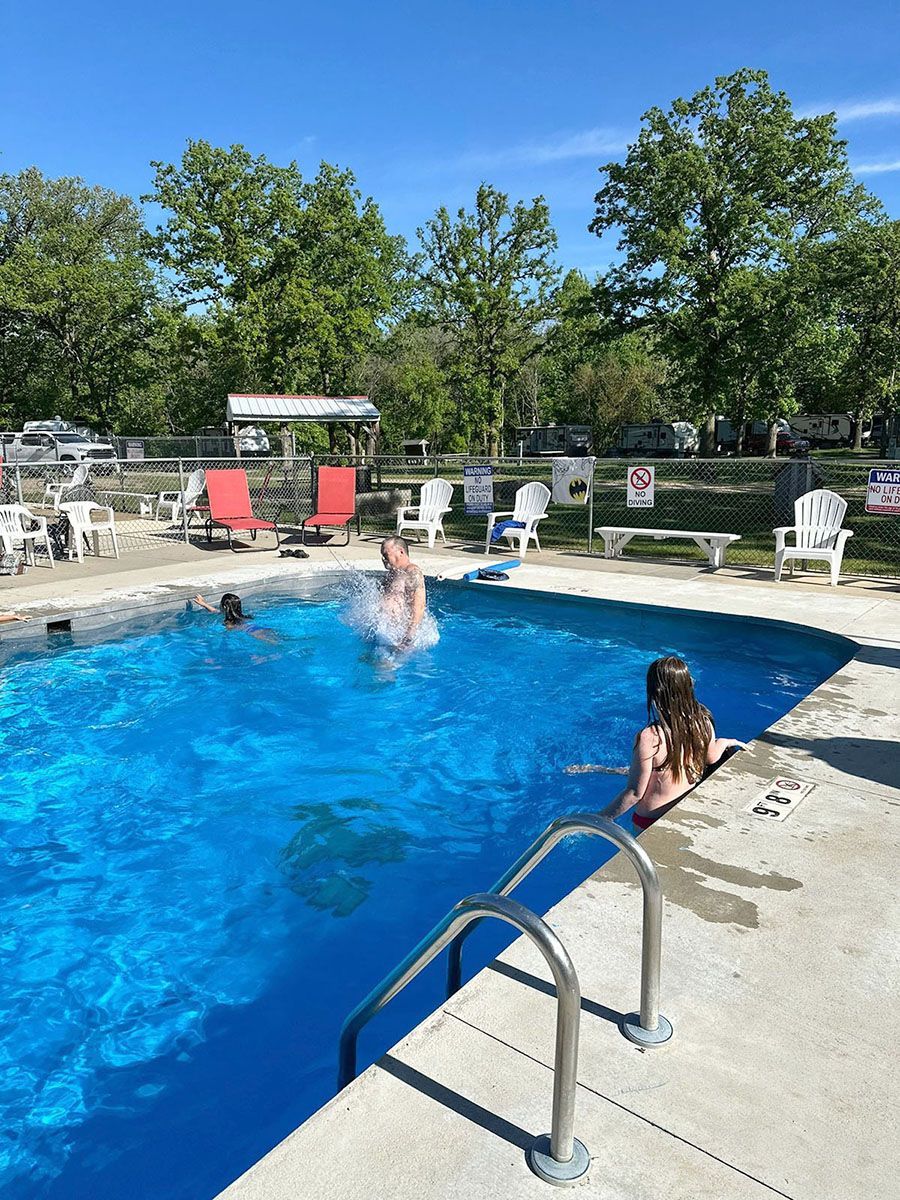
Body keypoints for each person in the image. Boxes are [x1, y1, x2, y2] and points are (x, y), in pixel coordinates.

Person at [604, 655, 746, 830]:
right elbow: (711, 758)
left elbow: (634, 793)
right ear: (688, 686)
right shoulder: (703, 721)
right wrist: (725, 742)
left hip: (649, 821)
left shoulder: (650, 737)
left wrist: (600, 819)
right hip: (683, 813)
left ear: (654, 692)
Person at [379, 535, 426, 650]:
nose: (384, 559)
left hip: (400, 638)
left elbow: (419, 607)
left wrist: (407, 640)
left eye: (386, 555)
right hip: (386, 634)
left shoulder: (412, 572)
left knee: (384, 667)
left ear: (401, 552)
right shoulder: (393, 573)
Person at [192, 592, 278, 643]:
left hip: (253, 633)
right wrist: (203, 604)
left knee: (275, 645)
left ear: (224, 607)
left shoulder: (229, 624)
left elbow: (226, 636)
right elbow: (216, 611)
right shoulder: (245, 617)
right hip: (262, 629)